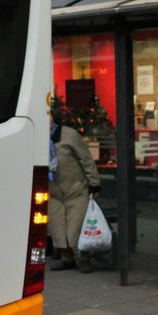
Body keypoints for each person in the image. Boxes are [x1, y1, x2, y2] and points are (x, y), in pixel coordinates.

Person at [48, 115, 101, 273]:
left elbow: (85, 159)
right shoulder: (36, 137)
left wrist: (94, 182)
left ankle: (84, 257)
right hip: (53, 191)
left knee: (77, 226)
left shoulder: (69, 135)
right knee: (58, 228)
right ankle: (67, 258)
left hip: (75, 188)